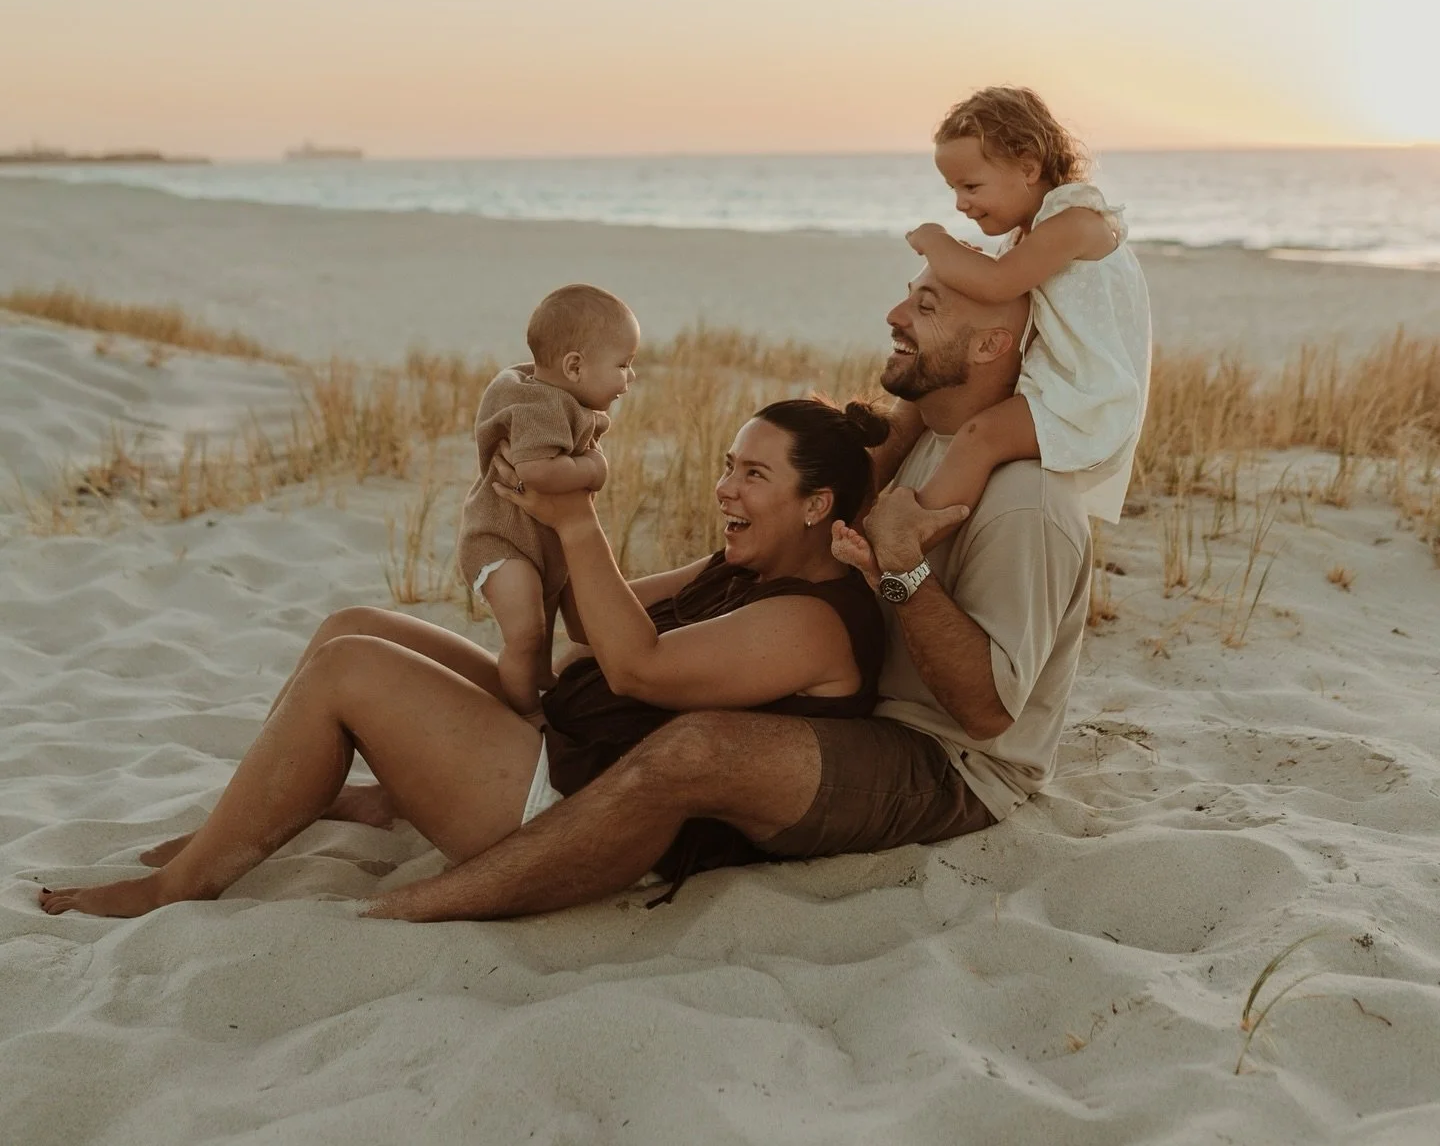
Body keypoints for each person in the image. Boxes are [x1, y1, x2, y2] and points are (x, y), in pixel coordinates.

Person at [352, 267, 1097, 923]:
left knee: (696, 746)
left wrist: (899, 568)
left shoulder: (1025, 503)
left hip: (950, 761)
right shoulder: (928, 435)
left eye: (925, 306)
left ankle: (445, 899)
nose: (896, 315)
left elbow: (988, 713)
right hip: (868, 705)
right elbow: (824, 469)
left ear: (991, 345)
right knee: (363, 633)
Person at [37, 398, 903, 919]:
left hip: (569, 808)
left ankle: (181, 887)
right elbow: (587, 616)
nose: (725, 489)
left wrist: (578, 520)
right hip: (552, 739)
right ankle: (309, 806)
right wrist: (528, 508)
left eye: (753, 476)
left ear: (818, 503)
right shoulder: (741, 562)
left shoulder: (817, 623)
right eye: (727, 466)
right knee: (351, 624)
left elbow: (637, 667)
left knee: (352, 674)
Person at [895, 85, 1151, 525]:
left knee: (980, 437)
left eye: (971, 185)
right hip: (1053, 381)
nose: (961, 203)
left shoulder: (1075, 221)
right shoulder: (1030, 233)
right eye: (953, 188)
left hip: (1084, 396)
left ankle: (917, 530)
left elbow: (997, 285)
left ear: (1028, 167)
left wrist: (935, 242)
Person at [456, 283, 639, 719]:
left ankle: (539, 680)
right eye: (623, 365)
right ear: (574, 366)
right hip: (502, 543)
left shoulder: (562, 398)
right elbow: (536, 473)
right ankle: (525, 716)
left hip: (539, 543)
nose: (629, 378)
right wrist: (595, 469)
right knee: (527, 633)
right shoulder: (540, 404)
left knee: (545, 625)